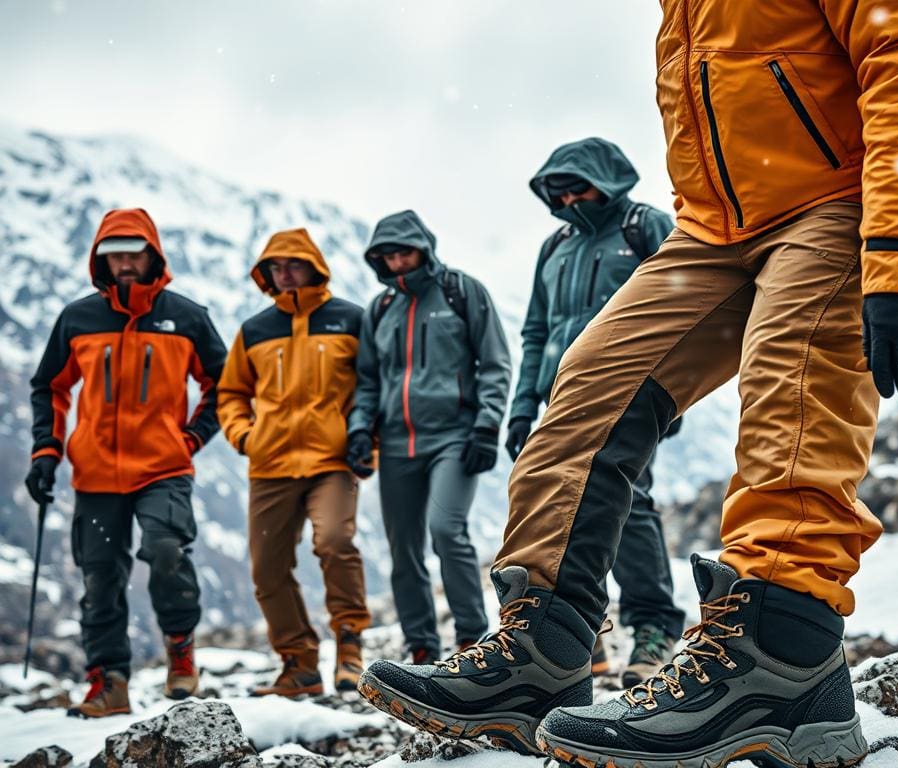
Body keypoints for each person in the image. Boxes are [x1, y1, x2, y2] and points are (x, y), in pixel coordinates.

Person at [359, 1, 898, 763]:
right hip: (713, 230)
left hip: (836, 197)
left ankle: (781, 659)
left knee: (791, 376)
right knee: (589, 386)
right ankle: (541, 650)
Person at [26, 208, 226, 717]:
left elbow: (224, 384)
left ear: (152, 254)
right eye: (113, 254)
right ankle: (108, 684)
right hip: (95, 473)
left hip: (164, 467)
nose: (124, 263)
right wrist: (46, 451)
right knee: (99, 579)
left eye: (133, 252)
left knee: (165, 551)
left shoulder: (186, 316)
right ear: (101, 260)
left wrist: (192, 438)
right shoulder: (78, 318)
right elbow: (50, 386)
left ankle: (180, 649)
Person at [507, 137, 684, 684]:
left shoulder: (644, 226)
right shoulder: (554, 246)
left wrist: (675, 390)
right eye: (554, 191)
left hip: (632, 388)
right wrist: (520, 407)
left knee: (631, 501)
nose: (564, 200)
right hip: (562, 396)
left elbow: (686, 306)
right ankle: (579, 635)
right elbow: (536, 330)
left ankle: (655, 625)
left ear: (604, 179)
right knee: (559, 506)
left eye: (573, 187)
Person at [346, 210, 511, 665]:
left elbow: (495, 363)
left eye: (405, 251)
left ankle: (473, 641)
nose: (398, 261)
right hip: (397, 446)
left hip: (454, 439)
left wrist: (486, 425)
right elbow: (368, 381)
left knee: (446, 530)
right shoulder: (379, 309)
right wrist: (360, 429)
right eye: (388, 255)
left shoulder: (461, 292)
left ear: (424, 247)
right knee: (403, 549)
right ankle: (420, 646)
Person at [218, 228, 371, 696]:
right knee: (267, 568)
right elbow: (231, 393)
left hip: (332, 460)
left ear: (314, 266)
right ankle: (299, 665)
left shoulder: (349, 319)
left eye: (293, 264)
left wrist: (365, 439)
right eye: (275, 267)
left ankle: (349, 648)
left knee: (335, 542)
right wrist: (245, 437)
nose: (284, 274)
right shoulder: (255, 330)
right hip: (270, 466)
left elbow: (372, 385)